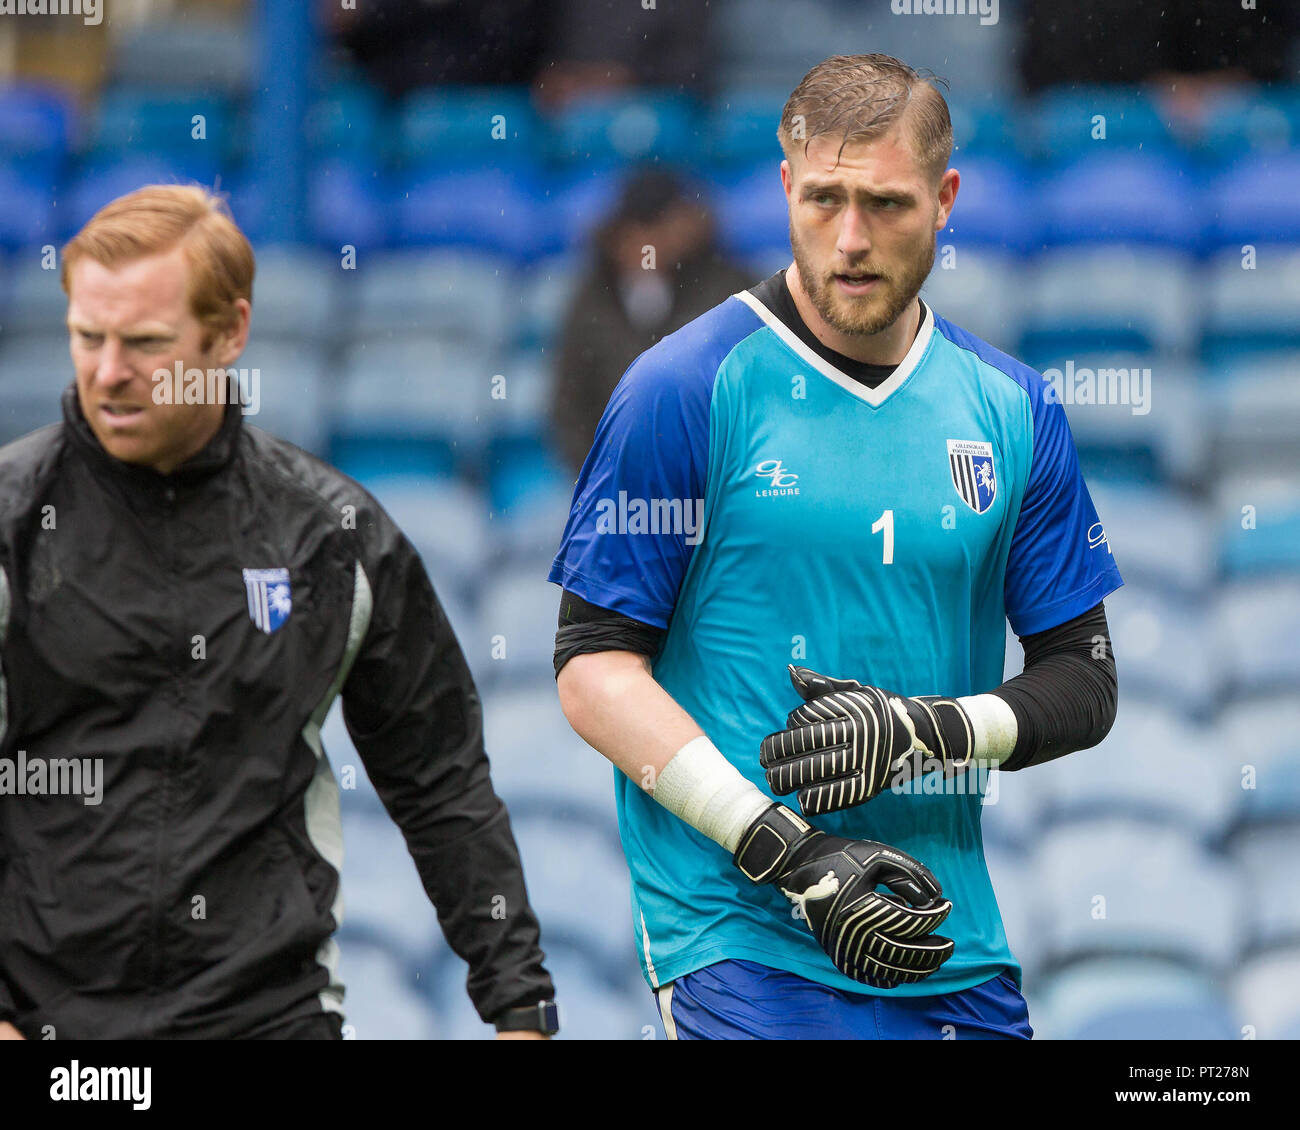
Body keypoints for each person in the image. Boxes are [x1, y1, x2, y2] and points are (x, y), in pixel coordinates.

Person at [550, 54, 1122, 1040]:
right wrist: (785, 846)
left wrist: (925, 730)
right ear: (784, 188)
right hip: (741, 940)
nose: (849, 240)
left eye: (886, 205)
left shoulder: (1012, 407)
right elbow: (592, 667)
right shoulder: (681, 387)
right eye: (823, 199)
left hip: (949, 940)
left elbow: (1085, 677)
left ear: (944, 200)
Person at [0, 185, 558, 1040]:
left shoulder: (333, 537)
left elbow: (440, 779)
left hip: (266, 1018)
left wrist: (519, 1004)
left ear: (228, 335)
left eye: (145, 344)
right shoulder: (12, 523)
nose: (108, 372)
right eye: (87, 337)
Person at [551, 167, 752, 475]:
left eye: (659, 227)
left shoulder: (730, 289)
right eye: (639, 229)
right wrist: (605, 476)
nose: (649, 243)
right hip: (615, 481)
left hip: (716, 481)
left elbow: (751, 395)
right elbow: (568, 407)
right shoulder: (592, 299)